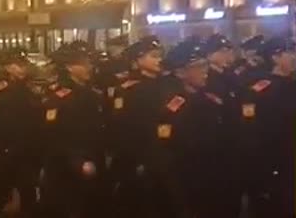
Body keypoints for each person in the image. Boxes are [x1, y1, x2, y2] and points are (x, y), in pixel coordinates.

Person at [159, 39, 240, 218]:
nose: (205, 71)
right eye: (198, 66)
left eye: (205, 65)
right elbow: (170, 151)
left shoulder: (210, 99)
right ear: (180, 72)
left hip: (215, 178)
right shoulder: (174, 106)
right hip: (188, 181)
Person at [109, 36, 175, 218]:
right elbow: (124, 129)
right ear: (138, 60)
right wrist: (139, 161)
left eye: (159, 55)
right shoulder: (129, 89)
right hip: (141, 160)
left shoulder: (167, 84)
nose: (159, 59)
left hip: (168, 156)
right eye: (153, 56)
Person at [41, 44, 107, 218]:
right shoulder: (60, 97)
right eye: (84, 63)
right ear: (69, 67)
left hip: (93, 160)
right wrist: (77, 161)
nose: (89, 67)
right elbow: (55, 135)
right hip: (67, 169)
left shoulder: (91, 93)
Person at [0, 48, 41, 218]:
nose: (22, 68)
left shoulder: (28, 89)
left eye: (23, 65)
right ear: (8, 67)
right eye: (17, 65)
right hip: (5, 153)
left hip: (25, 151)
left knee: (28, 195)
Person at [239, 37, 296, 218]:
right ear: (275, 57)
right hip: (276, 166)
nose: (294, 57)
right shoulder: (262, 90)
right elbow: (252, 133)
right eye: (290, 52)